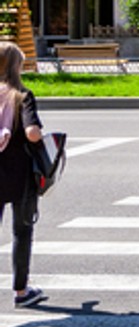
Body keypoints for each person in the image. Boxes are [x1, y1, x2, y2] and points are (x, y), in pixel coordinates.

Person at [0, 42, 46, 308]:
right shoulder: (22, 95)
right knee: (22, 231)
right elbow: (32, 133)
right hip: (20, 174)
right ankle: (21, 291)